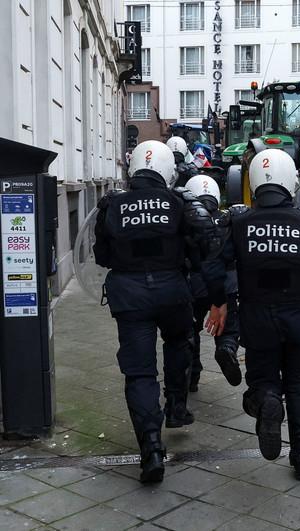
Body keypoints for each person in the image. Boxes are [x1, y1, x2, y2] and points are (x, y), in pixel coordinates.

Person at [209, 149, 300, 480]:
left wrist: (219, 301)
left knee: (262, 379)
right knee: (299, 384)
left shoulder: (240, 222)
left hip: (257, 322)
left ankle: (269, 399)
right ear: (290, 181)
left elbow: (213, 266)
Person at [93, 140, 226, 483]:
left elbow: (102, 256)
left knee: (139, 372)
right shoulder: (179, 202)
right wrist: (218, 297)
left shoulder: (112, 204)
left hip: (130, 297)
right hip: (172, 291)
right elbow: (204, 251)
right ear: (168, 170)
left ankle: (151, 447)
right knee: (179, 343)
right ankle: (177, 407)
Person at [184, 175, 242, 392]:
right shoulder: (227, 220)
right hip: (227, 283)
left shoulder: (188, 222)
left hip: (195, 283)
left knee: (190, 330)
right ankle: (227, 347)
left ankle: (191, 376)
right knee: (228, 324)